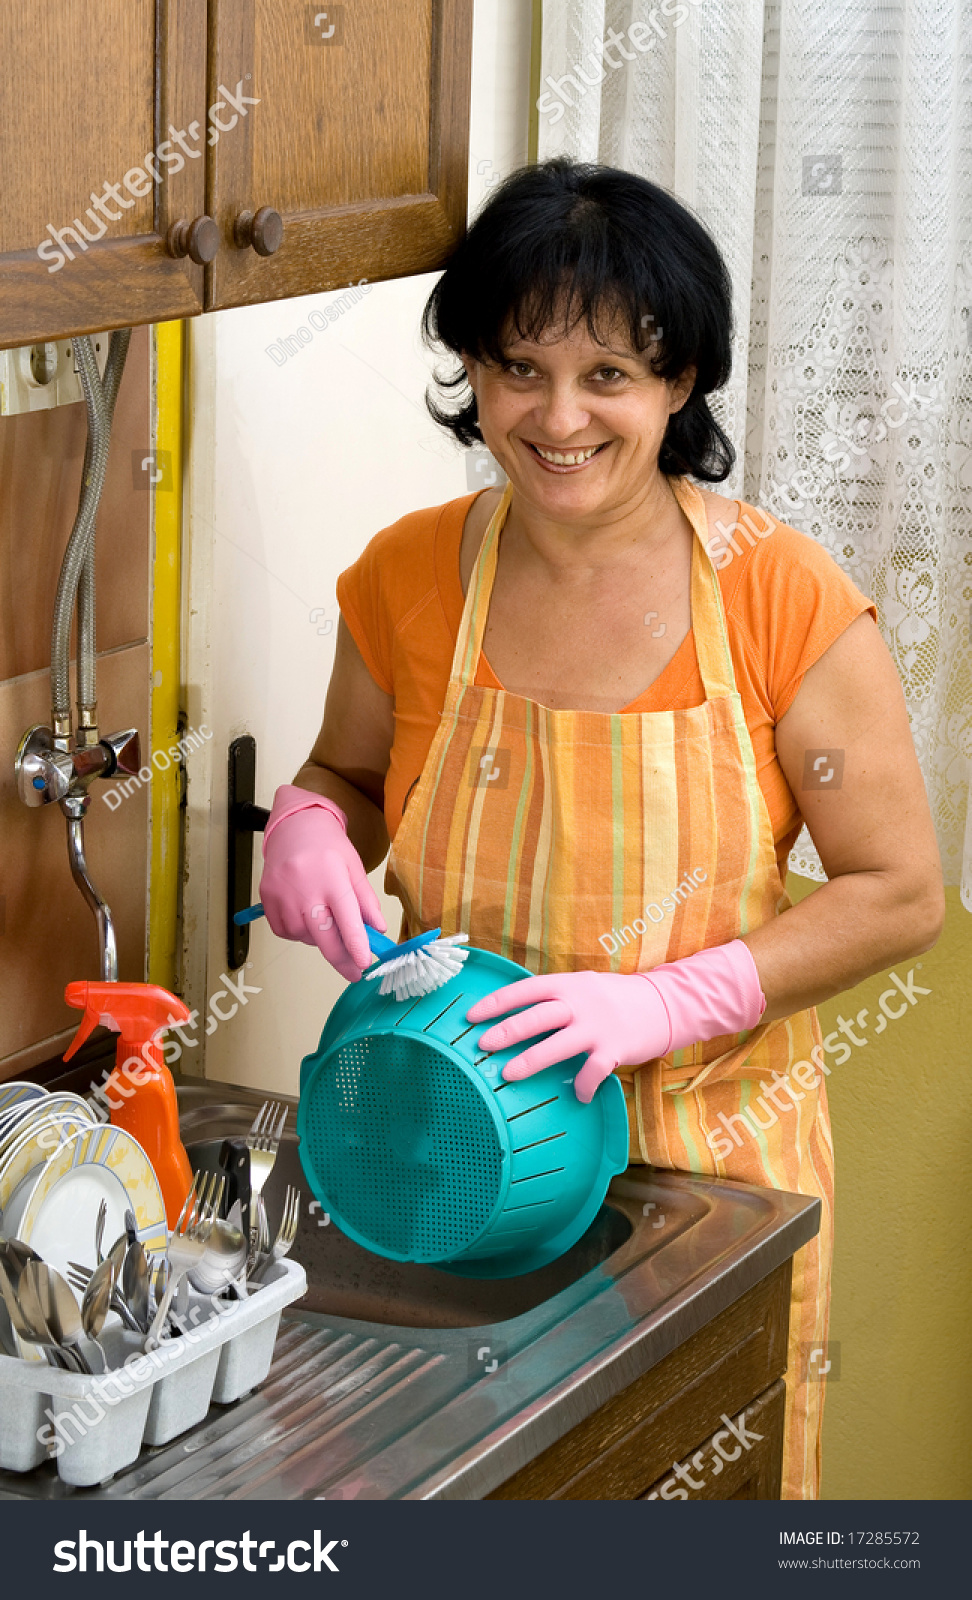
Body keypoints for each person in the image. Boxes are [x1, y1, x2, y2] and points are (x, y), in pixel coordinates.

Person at [259, 160, 944, 1499]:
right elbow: (342, 770)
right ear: (472, 371)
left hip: (705, 1181)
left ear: (681, 383)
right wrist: (306, 823)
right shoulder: (406, 576)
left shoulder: (780, 599)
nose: (557, 417)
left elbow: (898, 888)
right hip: (450, 1160)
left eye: (610, 378)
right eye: (519, 369)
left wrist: (676, 997)